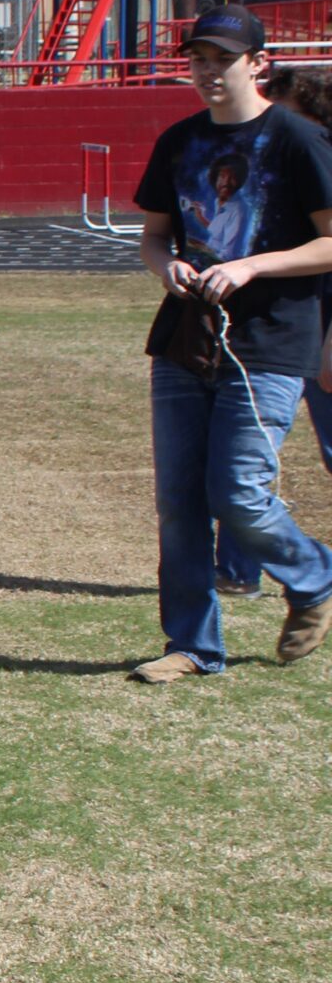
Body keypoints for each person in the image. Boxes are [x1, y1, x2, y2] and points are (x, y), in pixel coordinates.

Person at [130, 6, 332, 681]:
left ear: (258, 63)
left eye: (223, 58)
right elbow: (155, 237)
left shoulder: (297, 140)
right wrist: (170, 268)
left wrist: (249, 265)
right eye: (199, 59)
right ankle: (191, 645)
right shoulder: (179, 141)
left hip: (269, 342)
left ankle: (312, 574)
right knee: (179, 501)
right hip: (186, 340)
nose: (209, 71)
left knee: (238, 492)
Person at [214, 62, 332, 597]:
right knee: (243, 459)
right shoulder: (269, 176)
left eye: (286, 117)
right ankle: (238, 571)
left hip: (320, 324)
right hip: (273, 329)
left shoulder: (313, 164)